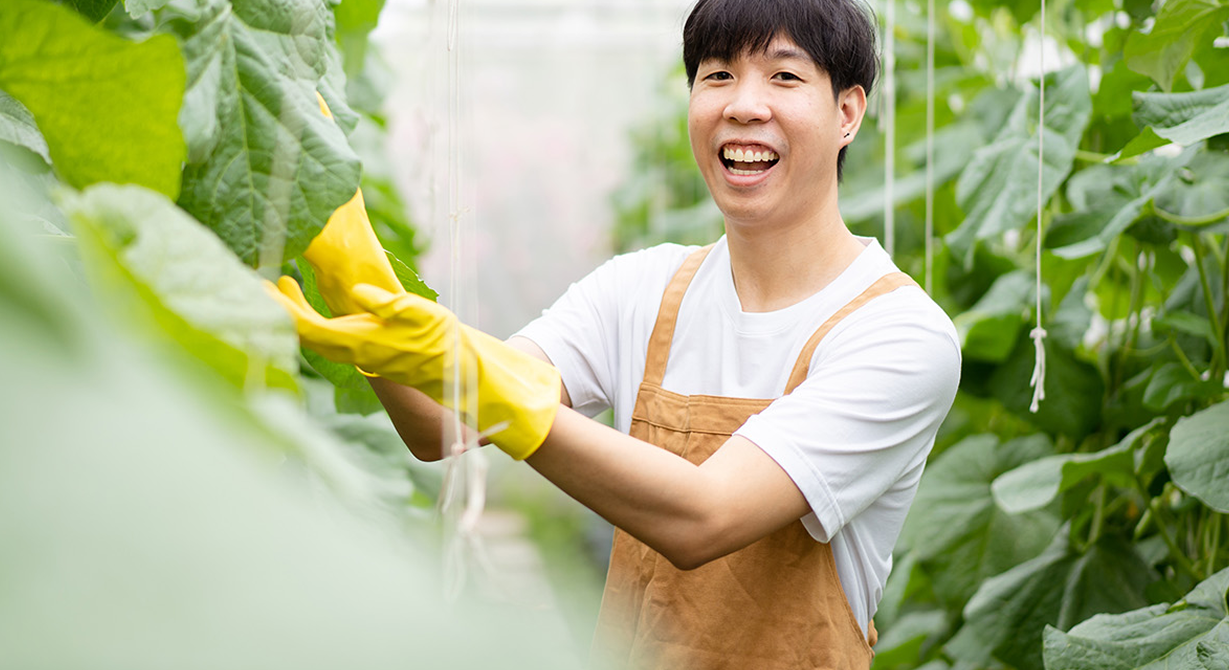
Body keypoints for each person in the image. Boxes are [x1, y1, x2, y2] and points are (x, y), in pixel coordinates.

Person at [267, 0, 961, 667]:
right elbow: (438, 424)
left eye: (784, 75)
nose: (744, 104)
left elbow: (704, 518)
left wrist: (494, 388)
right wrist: (348, 261)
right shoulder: (639, 291)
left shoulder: (899, 336)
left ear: (848, 112)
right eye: (717, 74)